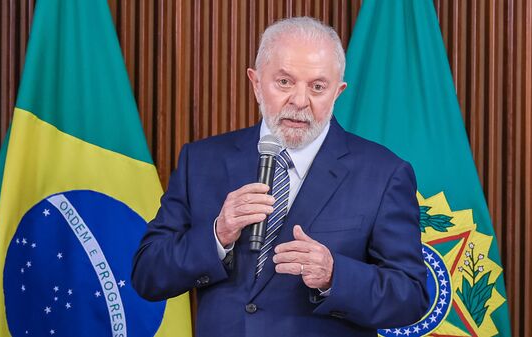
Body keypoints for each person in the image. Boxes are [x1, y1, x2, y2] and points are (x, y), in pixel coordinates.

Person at [132, 17, 428, 337]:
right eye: (284, 82)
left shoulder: (384, 173)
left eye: (317, 86)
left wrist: (334, 275)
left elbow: (411, 296)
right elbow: (148, 275)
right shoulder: (202, 161)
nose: (300, 101)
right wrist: (217, 235)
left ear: (337, 92)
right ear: (256, 83)